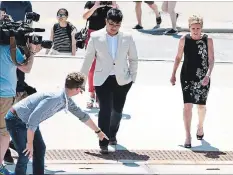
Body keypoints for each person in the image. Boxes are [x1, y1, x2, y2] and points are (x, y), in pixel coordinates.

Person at [5, 72, 108, 175]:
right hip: (16, 120)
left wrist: (98, 131)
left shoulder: (65, 98)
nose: (80, 92)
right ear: (77, 89)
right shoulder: (55, 98)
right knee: (25, 154)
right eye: (81, 90)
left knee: (40, 149)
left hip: (28, 122)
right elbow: (33, 119)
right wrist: (30, 143)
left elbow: (82, 115)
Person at [80, 8, 138, 154]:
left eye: (117, 25)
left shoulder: (127, 37)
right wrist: (82, 81)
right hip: (102, 80)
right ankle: (103, 140)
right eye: (111, 24)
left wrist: (132, 78)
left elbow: (133, 59)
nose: (114, 27)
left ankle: (112, 134)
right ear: (106, 21)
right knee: (104, 110)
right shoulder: (95, 36)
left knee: (117, 111)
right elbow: (88, 60)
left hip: (122, 80)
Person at [0, 18, 42, 175]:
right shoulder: (10, 50)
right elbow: (27, 68)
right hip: (5, 96)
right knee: (3, 133)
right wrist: (31, 51)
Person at [170, 15, 214, 148]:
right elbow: (178, 57)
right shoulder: (184, 39)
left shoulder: (208, 40)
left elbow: (211, 60)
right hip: (187, 76)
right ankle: (188, 135)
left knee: (201, 106)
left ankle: (200, 126)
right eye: (193, 28)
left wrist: (208, 75)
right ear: (189, 28)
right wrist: (173, 74)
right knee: (187, 106)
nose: (195, 31)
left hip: (202, 76)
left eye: (198, 28)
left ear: (202, 28)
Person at [83, 1, 118, 108]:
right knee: (92, 67)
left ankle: (100, 95)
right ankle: (92, 94)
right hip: (92, 35)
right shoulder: (90, 3)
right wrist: (96, 6)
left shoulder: (109, 4)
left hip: (106, 36)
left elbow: (118, 19)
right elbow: (85, 16)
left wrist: (114, 6)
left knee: (105, 67)